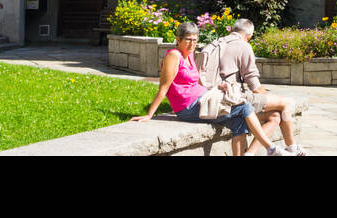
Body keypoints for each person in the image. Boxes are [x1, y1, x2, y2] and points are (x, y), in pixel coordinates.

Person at [130, 21, 286, 156]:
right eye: (188, 40)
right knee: (244, 107)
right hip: (188, 108)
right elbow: (164, 87)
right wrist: (149, 115)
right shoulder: (174, 56)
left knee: (240, 122)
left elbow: (198, 83)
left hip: (202, 100)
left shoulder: (190, 54)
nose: (192, 44)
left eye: (195, 40)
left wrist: (219, 86)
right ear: (178, 39)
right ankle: (271, 148)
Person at [218, 18, 307, 156]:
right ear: (250, 36)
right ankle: (292, 148)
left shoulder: (218, 42)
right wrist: (268, 96)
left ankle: (250, 153)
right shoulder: (243, 45)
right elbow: (254, 85)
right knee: (285, 103)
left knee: (275, 116)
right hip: (231, 96)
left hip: (214, 96)